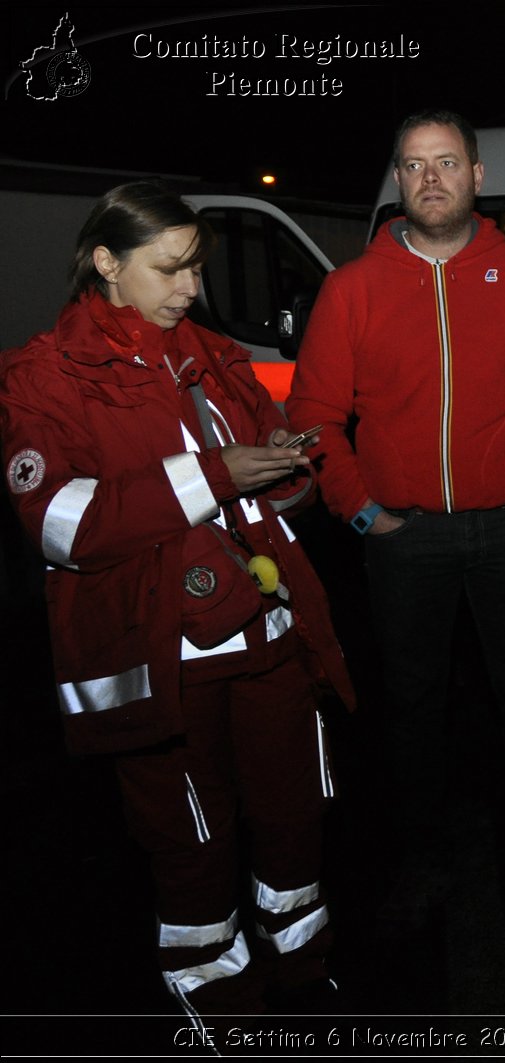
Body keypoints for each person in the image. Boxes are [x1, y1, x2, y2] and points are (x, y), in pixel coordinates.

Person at [0, 182, 354, 1028]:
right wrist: (219, 474)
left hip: (267, 630)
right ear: (106, 264)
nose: (191, 286)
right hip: (163, 654)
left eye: (197, 266)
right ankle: (213, 991)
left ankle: (302, 964)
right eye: (170, 268)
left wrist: (284, 467)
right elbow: (61, 524)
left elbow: (275, 482)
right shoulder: (42, 374)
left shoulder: (214, 352)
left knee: (293, 808)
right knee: (190, 838)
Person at [286, 109, 505, 914]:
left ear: (476, 175)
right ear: (398, 179)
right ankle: (422, 854)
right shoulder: (351, 287)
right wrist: (362, 513)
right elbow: (315, 414)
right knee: (412, 703)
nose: (431, 178)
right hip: (404, 536)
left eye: (447, 162)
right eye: (414, 165)